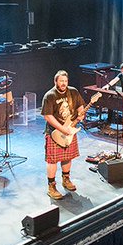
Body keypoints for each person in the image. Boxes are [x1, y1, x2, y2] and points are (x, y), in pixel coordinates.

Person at [42, 70, 86, 200]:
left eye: (65, 81)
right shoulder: (49, 96)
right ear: (55, 81)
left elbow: (80, 106)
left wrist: (81, 114)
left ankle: (66, 180)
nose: (63, 83)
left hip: (70, 129)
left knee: (68, 157)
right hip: (54, 132)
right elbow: (48, 116)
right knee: (53, 160)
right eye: (61, 81)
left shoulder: (73, 92)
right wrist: (62, 129)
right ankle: (51, 186)